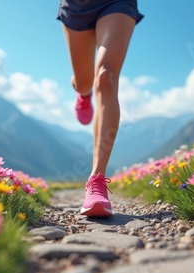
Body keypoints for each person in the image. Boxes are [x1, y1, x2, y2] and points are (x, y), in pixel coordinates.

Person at [57, 0, 143, 217]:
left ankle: (97, 181)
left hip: (117, 3)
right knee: (84, 81)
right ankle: (83, 92)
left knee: (106, 76)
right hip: (77, 6)